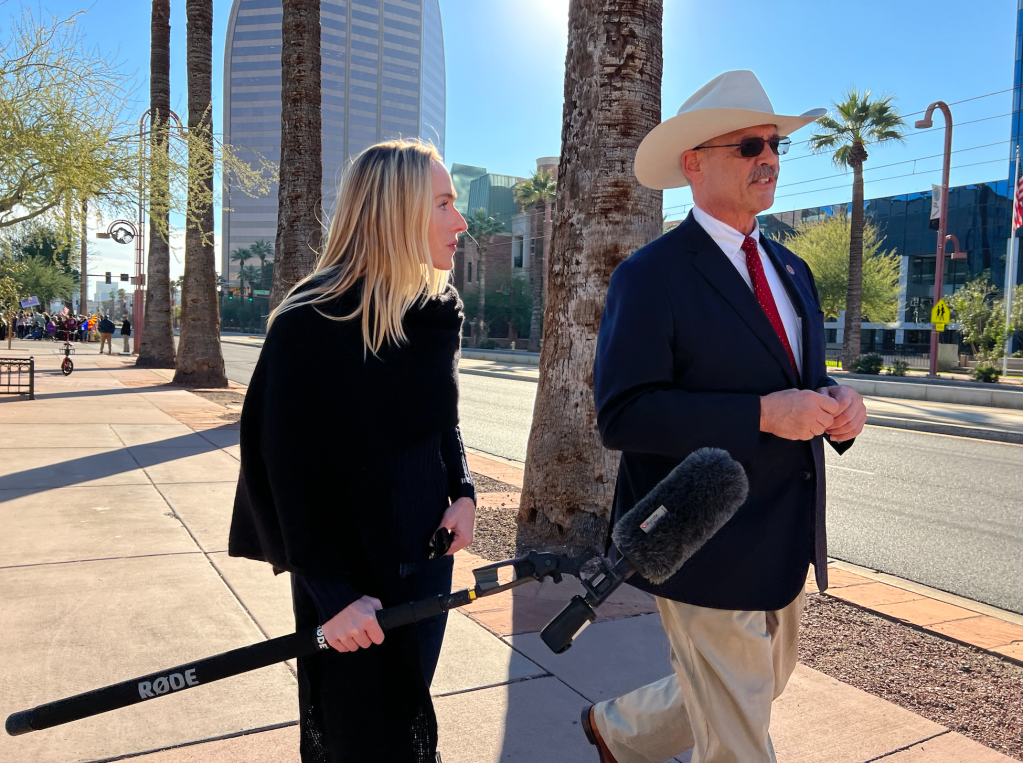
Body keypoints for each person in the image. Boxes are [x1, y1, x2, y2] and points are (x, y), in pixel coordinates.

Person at [586, 71, 868, 763]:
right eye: (747, 145)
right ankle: (623, 732)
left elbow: (794, 377)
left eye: (773, 145)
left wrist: (837, 404)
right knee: (739, 738)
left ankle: (618, 731)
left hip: (784, 536)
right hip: (701, 539)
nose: (766, 157)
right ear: (693, 164)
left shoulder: (792, 269)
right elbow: (623, 414)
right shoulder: (649, 275)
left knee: (752, 685)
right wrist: (762, 415)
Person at [229, 139, 475, 763]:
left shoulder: (436, 312)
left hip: (426, 563)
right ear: (394, 211)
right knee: (356, 736)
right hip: (348, 581)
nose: (461, 221)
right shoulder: (311, 323)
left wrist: (464, 491)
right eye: (443, 203)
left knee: (409, 713)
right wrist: (332, 596)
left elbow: (441, 421)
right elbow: (279, 472)